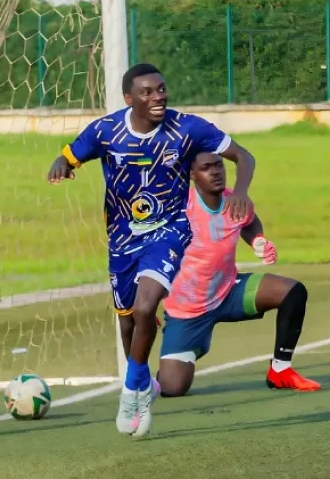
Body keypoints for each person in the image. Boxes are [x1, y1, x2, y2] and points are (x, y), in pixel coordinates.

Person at [47, 63, 256, 437]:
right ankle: (142, 382)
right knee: (129, 320)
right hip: (122, 239)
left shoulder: (187, 128)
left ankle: (130, 392)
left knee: (146, 307)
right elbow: (71, 154)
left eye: (161, 89)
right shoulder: (106, 131)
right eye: (147, 92)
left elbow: (244, 155)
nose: (158, 96)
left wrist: (240, 192)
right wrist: (61, 163)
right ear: (129, 99)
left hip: (169, 231)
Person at [157, 151, 320, 397]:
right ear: (191, 175)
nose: (215, 172)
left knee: (292, 292)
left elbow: (249, 221)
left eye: (219, 166)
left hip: (229, 291)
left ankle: (280, 370)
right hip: (187, 312)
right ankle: (184, 352)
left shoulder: (234, 200)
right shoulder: (179, 207)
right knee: (172, 388)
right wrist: (147, 299)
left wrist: (258, 240)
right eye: (206, 168)